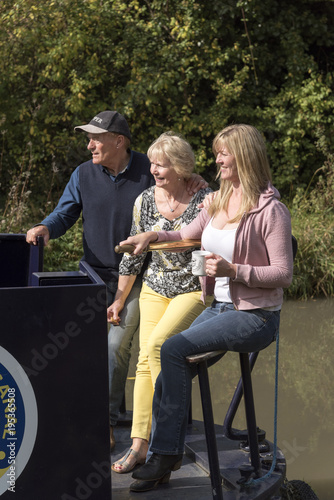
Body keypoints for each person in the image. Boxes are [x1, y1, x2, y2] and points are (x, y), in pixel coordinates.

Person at [116, 124, 294, 492]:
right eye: (217, 153)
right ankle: (164, 463)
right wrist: (152, 236)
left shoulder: (271, 210)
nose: (217, 159)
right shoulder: (216, 200)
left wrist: (234, 271)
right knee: (167, 374)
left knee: (173, 348)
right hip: (220, 307)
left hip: (255, 315)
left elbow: (283, 274)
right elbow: (184, 234)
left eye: (223, 153)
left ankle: (165, 455)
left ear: (244, 155)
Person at [25, 111, 207, 451]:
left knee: (114, 347)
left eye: (95, 138)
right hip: (91, 276)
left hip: (138, 277)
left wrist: (194, 180)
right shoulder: (83, 173)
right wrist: (46, 226)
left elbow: (180, 189)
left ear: (118, 141)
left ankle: (106, 424)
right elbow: (65, 211)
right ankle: (72, 419)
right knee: (73, 351)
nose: (90, 144)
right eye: (88, 139)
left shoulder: (149, 169)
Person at [107, 132, 213, 474]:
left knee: (155, 347)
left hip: (191, 289)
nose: (153, 169)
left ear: (181, 166)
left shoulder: (203, 197)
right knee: (142, 358)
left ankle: (165, 440)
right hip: (155, 286)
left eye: (161, 164)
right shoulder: (145, 201)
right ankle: (140, 445)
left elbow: (207, 242)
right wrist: (120, 299)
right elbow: (134, 257)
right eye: (152, 162)